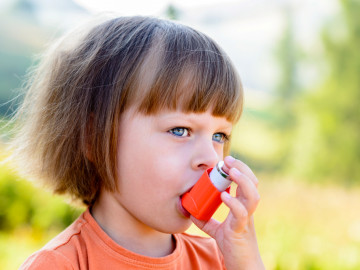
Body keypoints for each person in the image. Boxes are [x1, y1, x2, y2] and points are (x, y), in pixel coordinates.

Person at [12, 16, 264, 269]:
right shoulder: (59, 264)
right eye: (180, 130)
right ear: (93, 137)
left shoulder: (221, 260)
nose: (211, 159)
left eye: (219, 136)